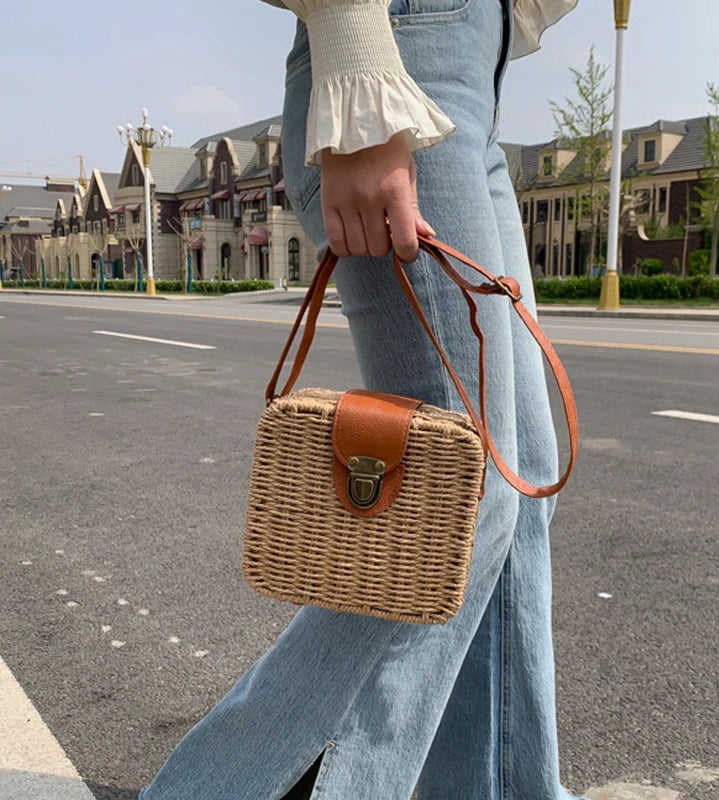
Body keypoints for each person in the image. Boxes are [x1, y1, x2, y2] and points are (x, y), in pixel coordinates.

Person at [139, 0, 582, 797]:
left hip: (471, 76)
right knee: (456, 496)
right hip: (398, 51)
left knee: (520, 482)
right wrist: (353, 57)